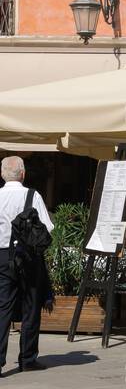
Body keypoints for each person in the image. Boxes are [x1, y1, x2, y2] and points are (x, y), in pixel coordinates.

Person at [0, 156, 54, 375]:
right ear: (23, 174)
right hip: (28, 257)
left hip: (2, 256)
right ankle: (28, 358)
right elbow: (48, 228)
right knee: (31, 307)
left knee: (2, 307)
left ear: (2, 174)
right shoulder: (32, 195)